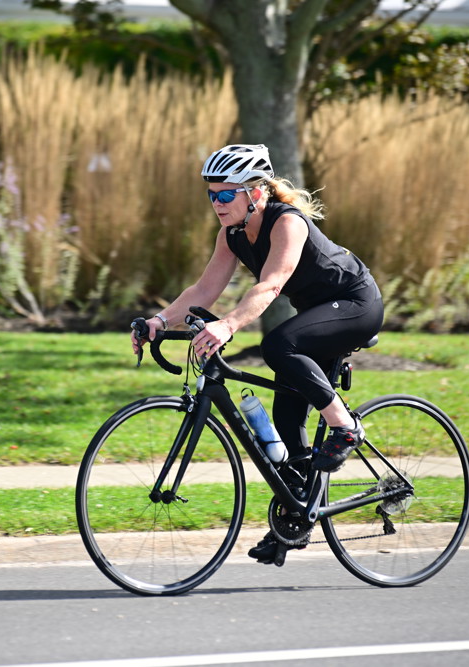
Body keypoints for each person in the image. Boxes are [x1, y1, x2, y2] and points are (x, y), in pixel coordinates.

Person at [131, 144, 384, 565]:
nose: (217, 202)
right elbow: (203, 290)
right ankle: (296, 518)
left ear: (256, 192)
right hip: (317, 316)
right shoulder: (231, 235)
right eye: (211, 194)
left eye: (226, 194)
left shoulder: (288, 223)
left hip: (356, 305)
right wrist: (159, 320)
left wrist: (228, 325)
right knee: (287, 419)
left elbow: (270, 285)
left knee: (278, 344)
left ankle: (344, 428)